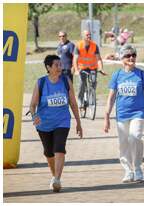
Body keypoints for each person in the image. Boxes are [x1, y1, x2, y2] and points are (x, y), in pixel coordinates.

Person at [104, 44, 144, 183]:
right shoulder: (117, 75)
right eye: (128, 55)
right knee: (123, 143)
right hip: (121, 114)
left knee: (135, 138)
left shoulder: (141, 74)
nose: (131, 57)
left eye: (133, 55)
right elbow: (111, 97)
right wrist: (107, 116)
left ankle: (138, 168)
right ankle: (128, 171)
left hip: (138, 112)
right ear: (122, 58)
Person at [29, 55, 83, 192]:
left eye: (60, 65)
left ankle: (57, 179)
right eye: (56, 65)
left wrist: (78, 122)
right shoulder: (41, 83)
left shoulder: (66, 81)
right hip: (44, 124)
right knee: (49, 152)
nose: (60, 68)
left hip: (62, 121)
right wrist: (34, 116)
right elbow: (33, 104)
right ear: (48, 68)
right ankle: (54, 176)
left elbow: (73, 103)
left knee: (59, 148)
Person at [73, 30, 106, 111]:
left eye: (90, 35)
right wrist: (76, 70)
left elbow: (98, 59)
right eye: (87, 35)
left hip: (92, 67)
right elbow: (75, 59)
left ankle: (92, 97)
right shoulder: (78, 45)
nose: (89, 36)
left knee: (94, 82)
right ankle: (80, 101)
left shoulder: (94, 46)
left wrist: (101, 68)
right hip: (82, 68)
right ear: (83, 36)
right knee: (82, 84)